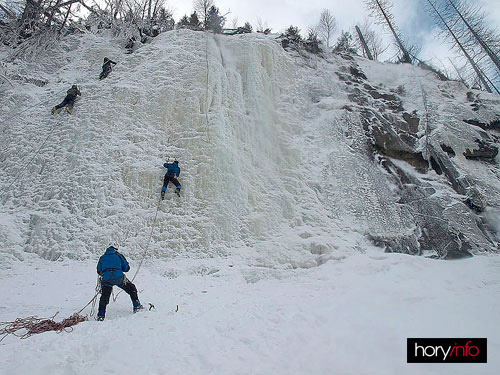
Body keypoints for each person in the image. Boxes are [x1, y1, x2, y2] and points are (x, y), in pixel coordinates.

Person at [96, 245, 143, 321]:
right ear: (115, 250)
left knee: (104, 297)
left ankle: (101, 315)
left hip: (106, 280)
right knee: (131, 288)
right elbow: (126, 268)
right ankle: (136, 306)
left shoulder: (102, 257)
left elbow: (99, 270)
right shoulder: (119, 255)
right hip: (119, 278)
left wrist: (106, 274)